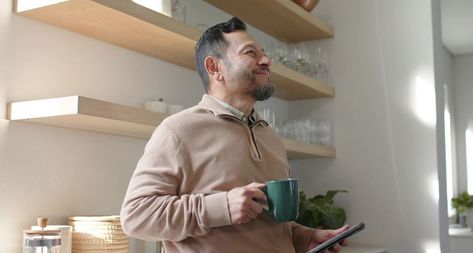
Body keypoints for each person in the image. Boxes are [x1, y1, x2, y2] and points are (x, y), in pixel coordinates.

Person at [120, 17, 348, 253]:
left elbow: (273, 227)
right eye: (250, 53)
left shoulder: (270, 136)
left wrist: (305, 237)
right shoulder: (177, 131)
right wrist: (222, 206)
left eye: (264, 54)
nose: (267, 61)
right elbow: (136, 216)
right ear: (214, 68)